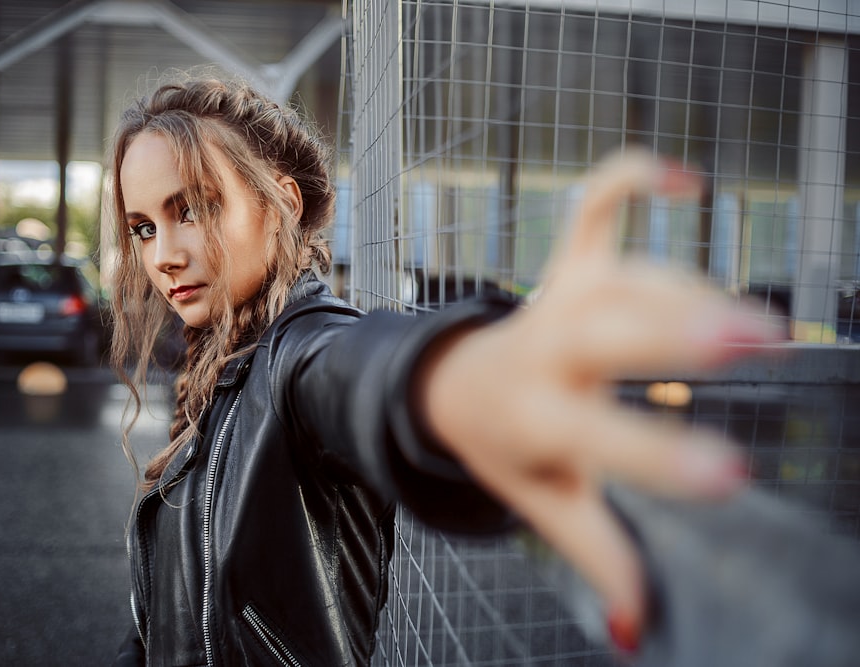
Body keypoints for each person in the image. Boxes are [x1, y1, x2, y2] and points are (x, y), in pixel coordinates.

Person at [106, 74, 781, 666]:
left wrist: (463, 378)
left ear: (279, 203)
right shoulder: (214, 365)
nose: (163, 254)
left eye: (190, 208)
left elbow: (360, 371)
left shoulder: (299, 353)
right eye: (143, 226)